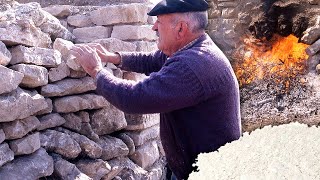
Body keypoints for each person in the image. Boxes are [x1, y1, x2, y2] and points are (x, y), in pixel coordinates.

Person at [70, 0, 241, 179]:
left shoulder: (193, 65)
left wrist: (97, 71)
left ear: (181, 29)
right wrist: (114, 58)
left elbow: (135, 98)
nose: (154, 28)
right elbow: (153, 60)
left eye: (159, 21)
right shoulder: (192, 49)